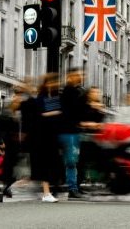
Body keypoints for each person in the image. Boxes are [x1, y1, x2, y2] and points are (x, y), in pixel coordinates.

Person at [33, 73, 63, 203]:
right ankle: (46, 193)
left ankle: (48, 191)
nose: (55, 84)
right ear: (47, 84)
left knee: (53, 164)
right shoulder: (41, 98)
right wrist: (56, 113)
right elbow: (39, 115)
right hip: (43, 136)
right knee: (46, 163)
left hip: (53, 136)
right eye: (52, 82)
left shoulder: (55, 98)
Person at [60, 67, 86, 199]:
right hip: (68, 130)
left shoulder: (77, 91)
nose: (80, 77)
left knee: (73, 160)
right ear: (70, 77)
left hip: (73, 131)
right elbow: (72, 111)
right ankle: (72, 187)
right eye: (77, 75)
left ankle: (74, 186)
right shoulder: (68, 92)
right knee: (71, 161)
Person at [0, 88, 23, 196]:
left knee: (13, 166)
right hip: (6, 143)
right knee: (8, 165)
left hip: (15, 144)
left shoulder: (17, 114)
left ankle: (7, 185)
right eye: (16, 100)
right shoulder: (5, 113)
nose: (18, 102)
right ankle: (6, 186)